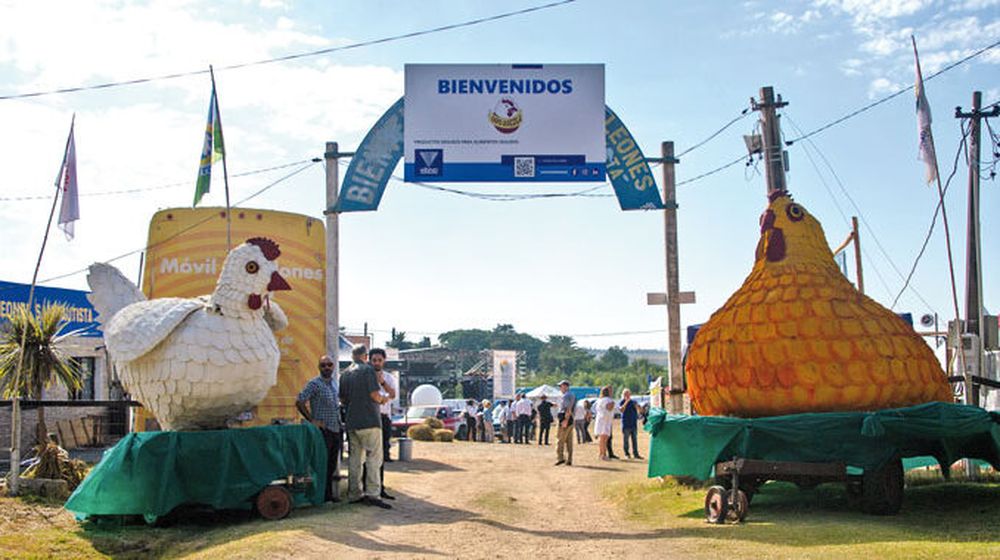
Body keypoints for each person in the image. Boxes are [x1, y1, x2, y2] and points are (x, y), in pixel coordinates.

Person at [339, 345, 392, 509]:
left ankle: (354, 493)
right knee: (374, 458)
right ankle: (373, 494)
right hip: (369, 420)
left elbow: (342, 399)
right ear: (365, 356)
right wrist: (383, 399)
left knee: (355, 459)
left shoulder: (345, 373)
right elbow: (374, 395)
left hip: (351, 421)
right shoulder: (367, 370)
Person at [296, 355, 342, 503]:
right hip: (323, 430)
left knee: (332, 465)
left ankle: (328, 495)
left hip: (336, 429)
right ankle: (320, 495)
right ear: (319, 367)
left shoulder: (335, 384)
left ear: (333, 366)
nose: (327, 367)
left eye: (329, 364)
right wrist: (312, 420)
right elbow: (300, 401)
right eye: (323, 365)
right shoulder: (314, 384)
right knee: (322, 464)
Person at [367, 348, 397, 500]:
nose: (377, 363)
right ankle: (367, 487)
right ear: (369, 360)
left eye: (379, 360)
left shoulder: (388, 377)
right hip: (368, 417)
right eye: (374, 360)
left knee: (381, 455)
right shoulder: (364, 376)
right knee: (367, 455)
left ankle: (380, 487)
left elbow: (392, 394)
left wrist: (382, 382)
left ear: (384, 361)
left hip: (383, 418)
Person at [555, 379, 577, 466]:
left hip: (565, 417)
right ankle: (569, 459)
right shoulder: (572, 395)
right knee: (569, 440)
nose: (560, 388)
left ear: (565, 386)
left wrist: (565, 420)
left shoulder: (566, 396)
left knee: (560, 439)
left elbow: (568, 409)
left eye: (561, 386)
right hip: (570, 418)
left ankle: (560, 458)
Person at [618, 388, 642, 459]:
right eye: (626, 394)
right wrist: (626, 402)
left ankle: (636, 454)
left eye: (628, 394)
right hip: (626, 424)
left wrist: (638, 407)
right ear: (623, 395)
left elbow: (640, 411)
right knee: (626, 440)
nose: (627, 395)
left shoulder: (633, 401)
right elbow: (621, 410)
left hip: (633, 424)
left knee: (634, 440)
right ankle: (627, 454)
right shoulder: (622, 402)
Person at [594, 386, 615, 461]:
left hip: (601, 420)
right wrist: (612, 403)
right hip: (604, 421)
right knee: (604, 438)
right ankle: (603, 454)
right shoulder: (607, 400)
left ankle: (602, 454)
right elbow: (609, 407)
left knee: (602, 439)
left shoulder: (599, 400)